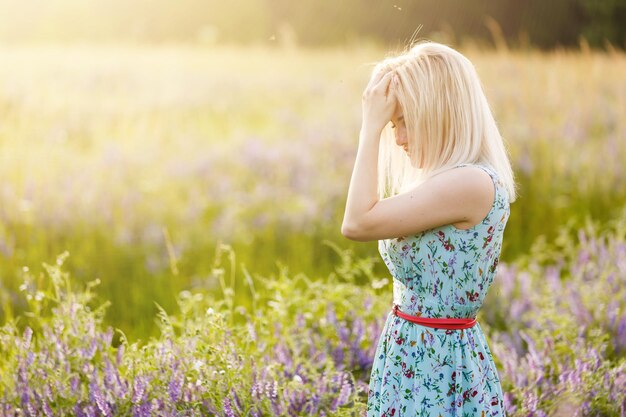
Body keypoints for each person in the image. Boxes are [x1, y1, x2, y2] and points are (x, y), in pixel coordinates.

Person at [341, 40, 517, 416]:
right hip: (411, 357)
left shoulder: (469, 183)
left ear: (441, 112)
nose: (398, 138)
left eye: (405, 122)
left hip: (438, 366)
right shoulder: (446, 182)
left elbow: (356, 222)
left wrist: (369, 129)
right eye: (392, 124)